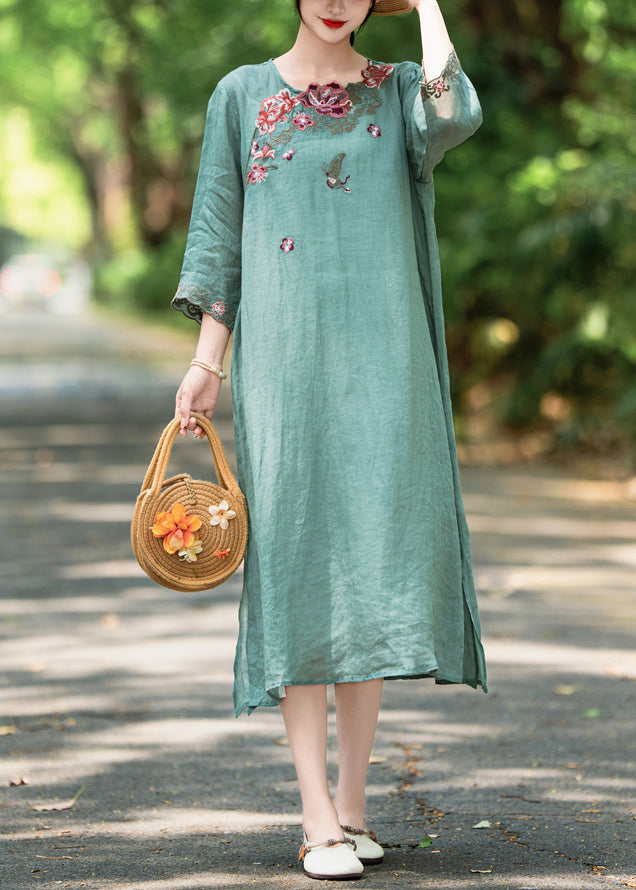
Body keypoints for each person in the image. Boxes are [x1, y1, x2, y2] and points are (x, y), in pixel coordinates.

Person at [173, 0, 487, 880]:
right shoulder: (240, 95)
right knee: (304, 563)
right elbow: (216, 236)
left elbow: (458, 111)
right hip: (286, 372)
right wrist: (208, 364)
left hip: (389, 366)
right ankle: (315, 817)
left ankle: (353, 804)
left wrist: (425, 5)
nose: (339, 0)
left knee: (373, 565)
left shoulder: (397, 93)